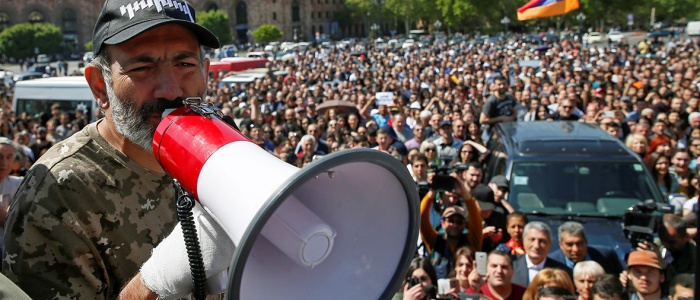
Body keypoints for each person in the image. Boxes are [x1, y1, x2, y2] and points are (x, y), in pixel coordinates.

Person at [3, 1, 233, 298]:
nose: (171, 89)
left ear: (205, 72)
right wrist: (156, 280)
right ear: (100, 86)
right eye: (142, 68)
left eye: (185, 65)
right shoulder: (57, 195)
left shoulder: (219, 154)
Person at [420, 174, 483, 279]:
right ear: (443, 223)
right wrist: (433, 190)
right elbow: (422, 217)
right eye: (450, 221)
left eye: (459, 222)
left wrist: (464, 192)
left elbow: (476, 218)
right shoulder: (435, 240)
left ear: (464, 225)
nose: (454, 225)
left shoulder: (472, 241)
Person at [549, 221, 623, 275]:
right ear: (561, 244)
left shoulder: (606, 256)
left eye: (579, 243)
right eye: (569, 245)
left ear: (586, 242)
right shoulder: (552, 264)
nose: (576, 249)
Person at [512, 221, 573, 287]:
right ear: (523, 241)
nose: (536, 246)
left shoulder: (562, 272)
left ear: (550, 244)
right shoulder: (510, 265)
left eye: (542, 241)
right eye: (532, 240)